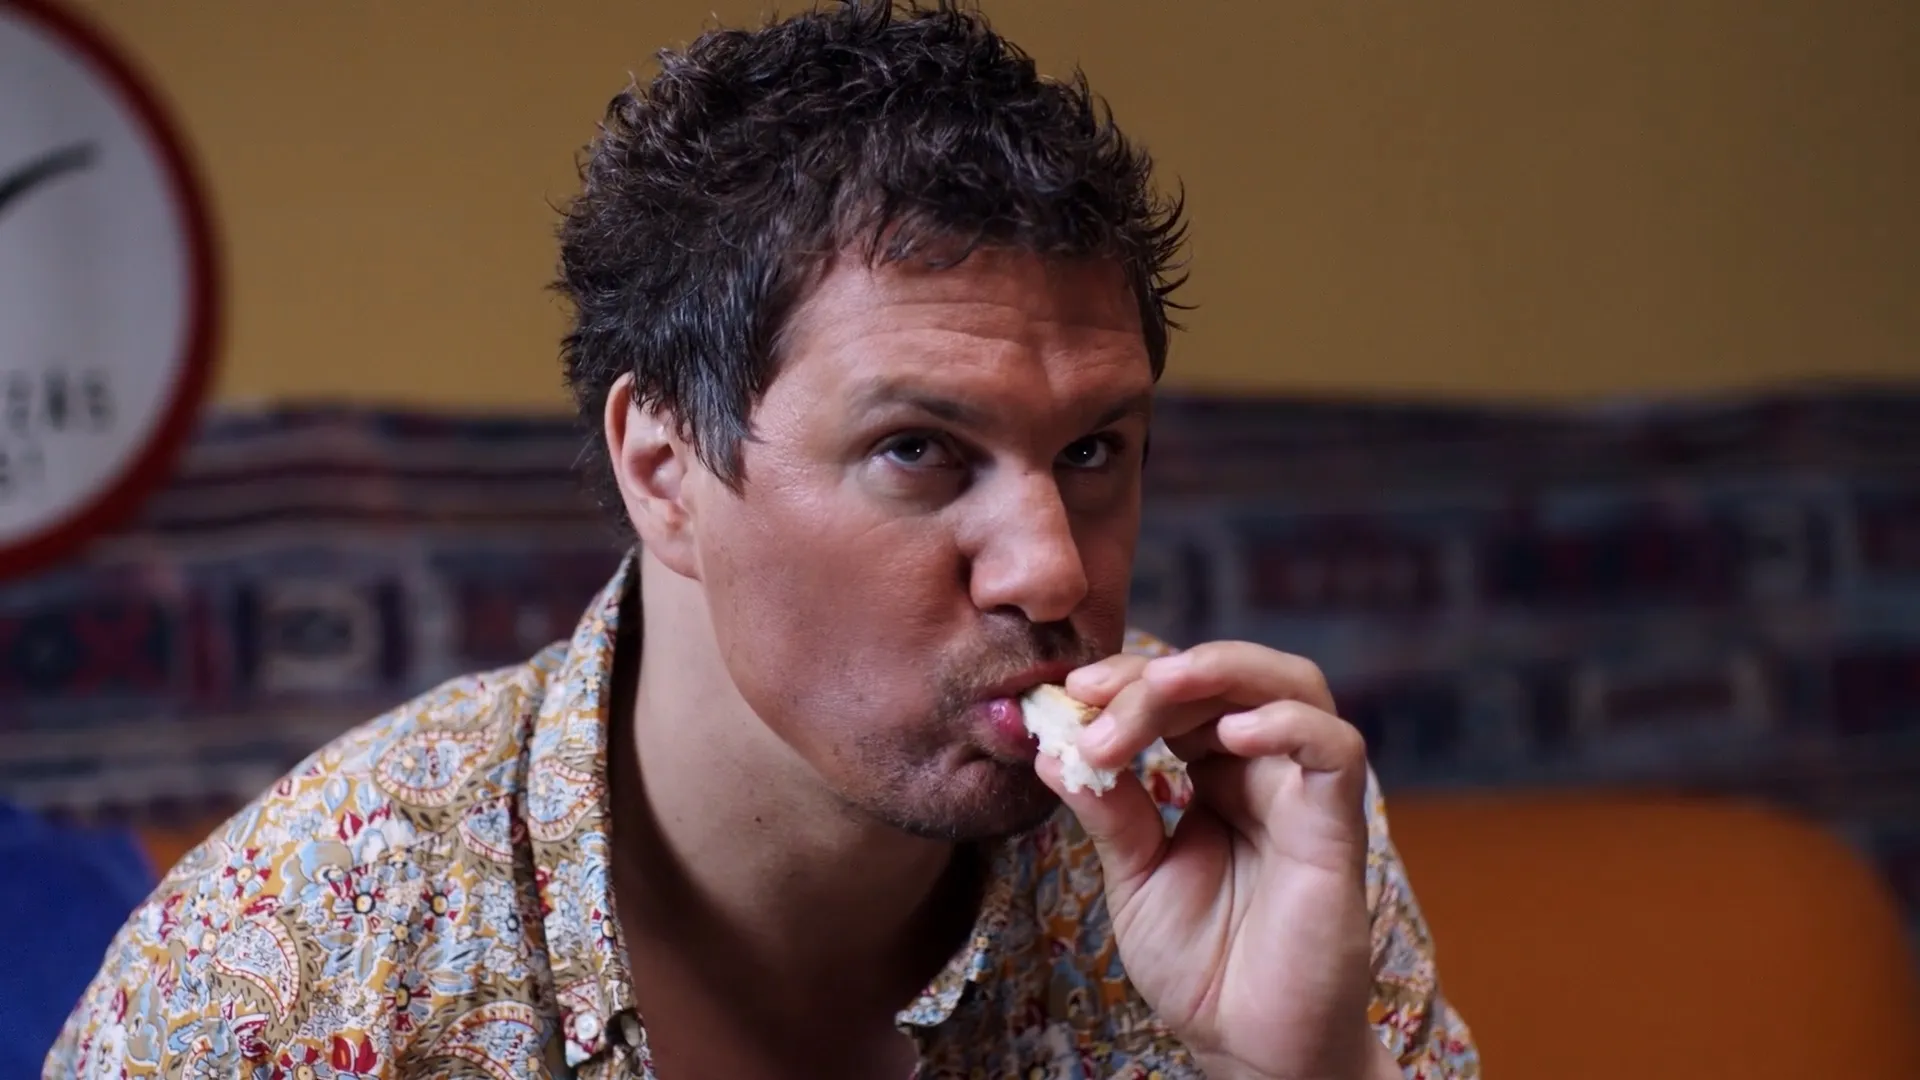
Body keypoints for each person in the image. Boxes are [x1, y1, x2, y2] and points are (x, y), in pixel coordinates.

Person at [47, 3, 1479, 1078]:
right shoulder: (292, 973)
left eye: (1092, 451)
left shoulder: (1237, 829)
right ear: (664, 471)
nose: (1052, 570)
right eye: (919, 451)